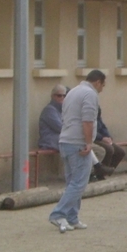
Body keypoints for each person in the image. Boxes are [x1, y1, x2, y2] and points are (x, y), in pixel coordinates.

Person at [48, 70, 106, 231]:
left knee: (72, 181)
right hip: (78, 142)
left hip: (65, 140)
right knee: (80, 182)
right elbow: (87, 121)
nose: (102, 89)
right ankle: (58, 214)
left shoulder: (73, 91)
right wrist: (88, 142)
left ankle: (72, 217)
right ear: (98, 82)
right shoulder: (90, 94)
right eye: (103, 85)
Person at [38, 85, 66, 151]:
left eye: (64, 96)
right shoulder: (49, 110)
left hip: (59, 141)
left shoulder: (62, 110)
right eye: (59, 95)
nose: (62, 98)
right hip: (49, 142)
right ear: (53, 96)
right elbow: (60, 128)